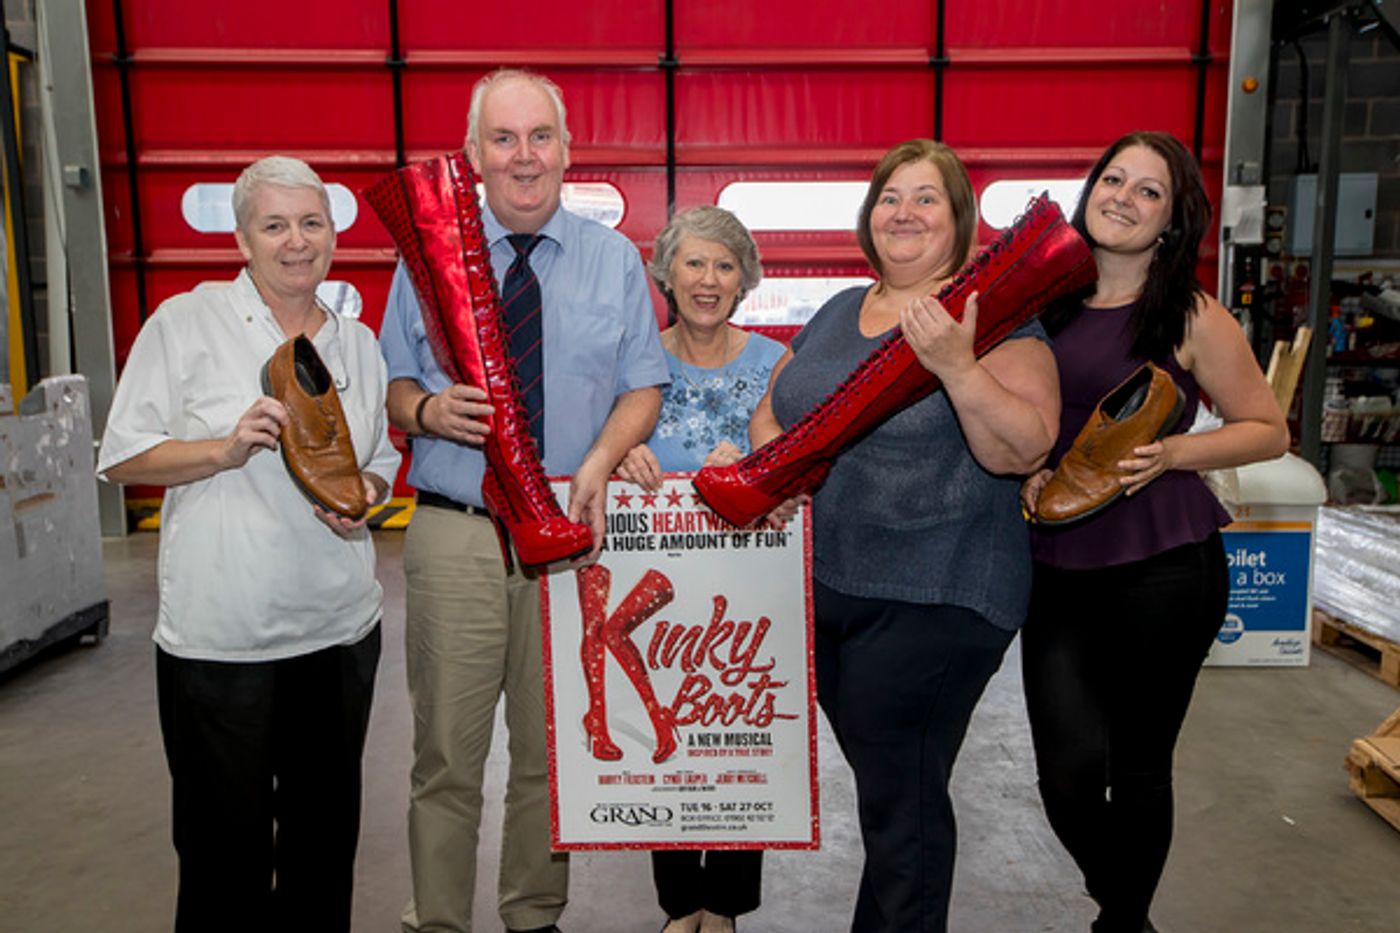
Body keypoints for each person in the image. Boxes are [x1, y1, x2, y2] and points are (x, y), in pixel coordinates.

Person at [378, 68, 668, 933]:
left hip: (567, 535)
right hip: (457, 533)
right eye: (503, 139)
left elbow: (643, 385)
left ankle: (534, 915)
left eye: (540, 136)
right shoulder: (427, 261)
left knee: (551, 754)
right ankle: (437, 920)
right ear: (473, 155)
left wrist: (603, 459)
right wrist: (426, 409)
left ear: (567, 150)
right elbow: (392, 386)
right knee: (446, 758)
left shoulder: (614, 259)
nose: (524, 156)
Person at [748, 139, 1061, 932]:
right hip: (833, 585)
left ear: (959, 221)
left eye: (928, 198)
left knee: (902, 795)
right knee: (894, 791)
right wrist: (772, 472)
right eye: (892, 196)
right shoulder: (837, 308)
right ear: (869, 216)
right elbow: (776, 409)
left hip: (941, 591)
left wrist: (958, 366)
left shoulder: (997, 317)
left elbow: (1020, 447)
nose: (906, 212)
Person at [95, 155, 400, 931]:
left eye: (311, 223)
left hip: (337, 633)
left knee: (323, 854)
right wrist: (222, 451)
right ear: (242, 237)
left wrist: (365, 495)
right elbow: (122, 454)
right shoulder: (186, 323)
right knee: (221, 858)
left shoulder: (357, 342)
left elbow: (379, 463)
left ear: (332, 233)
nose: (296, 242)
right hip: (221, 643)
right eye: (275, 225)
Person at [1018, 131, 1289, 933]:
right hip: (1058, 560)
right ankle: (1128, 909)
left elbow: (1267, 428)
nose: (1124, 198)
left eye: (1149, 192)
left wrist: (1175, 452)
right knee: (1064, 775)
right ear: (1089, 189)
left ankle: (1122, 922)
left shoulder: (1191, 313)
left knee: (1138, 763)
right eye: (1114, 179)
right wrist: (1027, 467)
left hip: (1165, 563)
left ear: (1172, 222)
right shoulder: (1043, 304)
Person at [614, 206, 785, 933]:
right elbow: (600, 456)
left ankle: (727, 905)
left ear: (743, 279)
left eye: (724, 265)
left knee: (744, 728)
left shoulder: (777, 360)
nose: (708, 279)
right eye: (694, 263)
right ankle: (681, 903)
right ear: (667, 275)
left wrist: (756, 466)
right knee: (666, 734)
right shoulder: (638, 364)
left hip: (752, 592)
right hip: (658, 593)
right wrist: (622, 456)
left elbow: (795, 457)